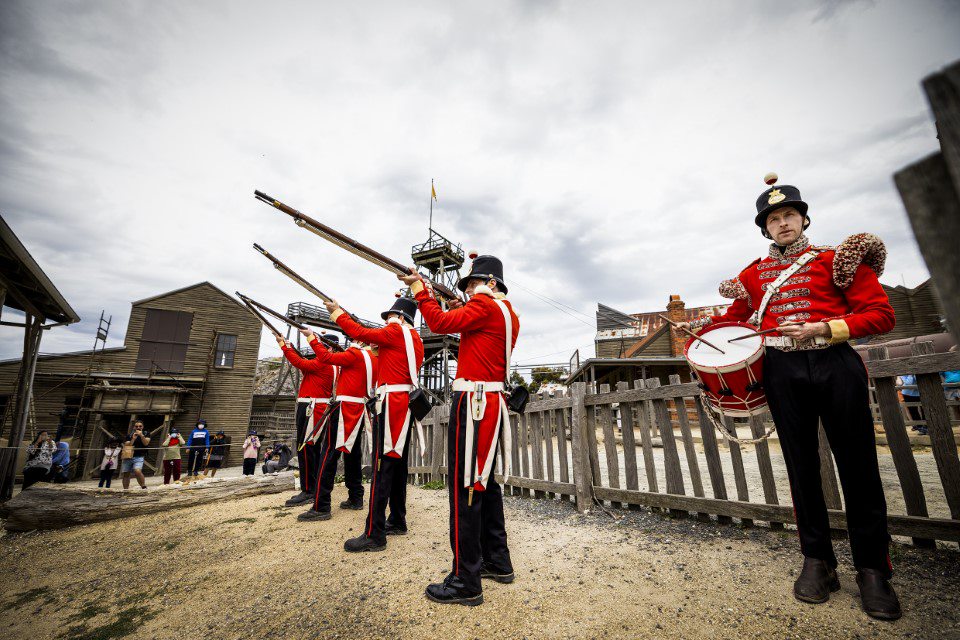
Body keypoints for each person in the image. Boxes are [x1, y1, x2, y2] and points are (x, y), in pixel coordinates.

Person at [679, 173, 900, 620]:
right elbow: (736, 323)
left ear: (803, 219)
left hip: (835, 363)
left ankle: (873, 570)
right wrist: (699, 332)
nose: (782, 223)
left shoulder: (836, 260)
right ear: (765, 228)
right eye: (773, 219)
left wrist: (825, 327)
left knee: (858, 467)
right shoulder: (751, 275)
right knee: (801, 469)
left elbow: (881, 315)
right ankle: (818, 561)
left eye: (789, 215)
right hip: (781, 370)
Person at [402, 254, 519, 606]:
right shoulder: (506, 312)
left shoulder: (484, 306)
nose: (469, 289)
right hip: (489, 401)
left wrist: (420, 290)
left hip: (474, 403)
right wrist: (461, 307)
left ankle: (466, 579)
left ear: (491, 284)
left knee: (464, 487)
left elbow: (437, 322)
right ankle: (497, 561)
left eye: (474, 283)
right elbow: (473, 329)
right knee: (485, 484)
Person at [324, 296, 423, 552]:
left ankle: (375, 533)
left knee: (382, 467)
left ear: (400, 318)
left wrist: (337, 313)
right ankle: (397, 519)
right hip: (402, 404)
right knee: (397, 466)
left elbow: (359, 332)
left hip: (391, 403)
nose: (387, 320)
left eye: (391, 316)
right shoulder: (413, 338)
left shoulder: (396, 331)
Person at [295, 330, 379, 521]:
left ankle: (321, 505)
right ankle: (356, 496)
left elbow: (325, 357)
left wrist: (312, 338)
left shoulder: (354, 354)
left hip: (344, 408)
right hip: (360, 408)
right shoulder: (374, 358)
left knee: (328, 455)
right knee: (352, 455)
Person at [278, 335, 339, 507]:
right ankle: (312, 487)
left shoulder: (324, 363)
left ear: (330, 349)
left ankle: (309, 489)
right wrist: (288, 345)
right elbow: (304, 365)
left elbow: (299, 363)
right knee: (310, 450)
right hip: (314, 407)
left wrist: (283, 345)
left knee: (306, 449)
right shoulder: (329, 363)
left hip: (312, 408)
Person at [122, 421, 150, 490]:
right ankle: (125, 489)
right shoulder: (129, 435)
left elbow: (146, 443)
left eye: (140, 426)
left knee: (137, 471)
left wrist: (141, 435)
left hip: (139, 456)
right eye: (136, 426)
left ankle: (143, 486)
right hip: (128, 456)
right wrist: (133, 439)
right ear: (134, 427)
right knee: (126, 473)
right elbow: (128, 445)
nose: (138, 427)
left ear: (143, 427)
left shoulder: (146, 434)